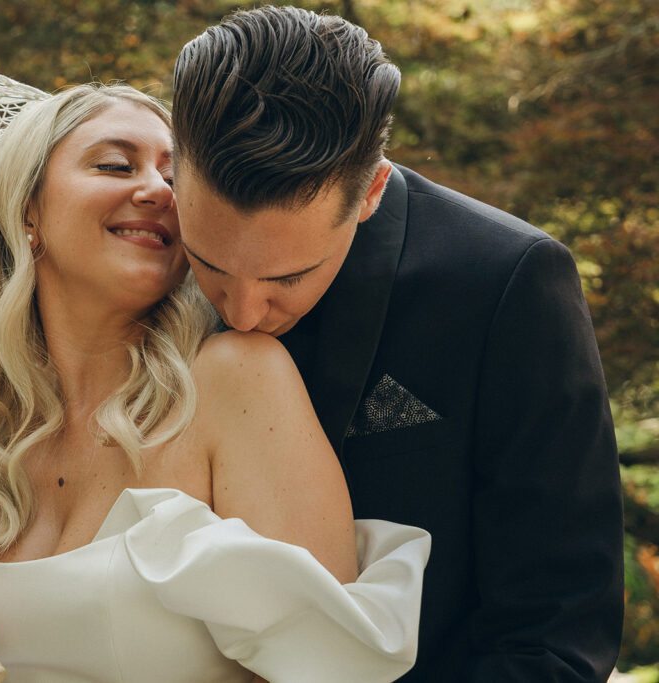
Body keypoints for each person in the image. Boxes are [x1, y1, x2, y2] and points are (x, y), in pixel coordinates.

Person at [0, 83, 430, 682]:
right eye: (115, 164)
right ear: (28, 209)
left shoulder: (237, 380)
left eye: (176, 177)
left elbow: (326, 668)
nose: (159, 191)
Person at [169, 6, 624, 682]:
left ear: (370, 192)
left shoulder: (507, 285)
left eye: (288, 276)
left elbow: (554, 632)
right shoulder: (138, 268)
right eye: (209, 262)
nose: (241, 313)